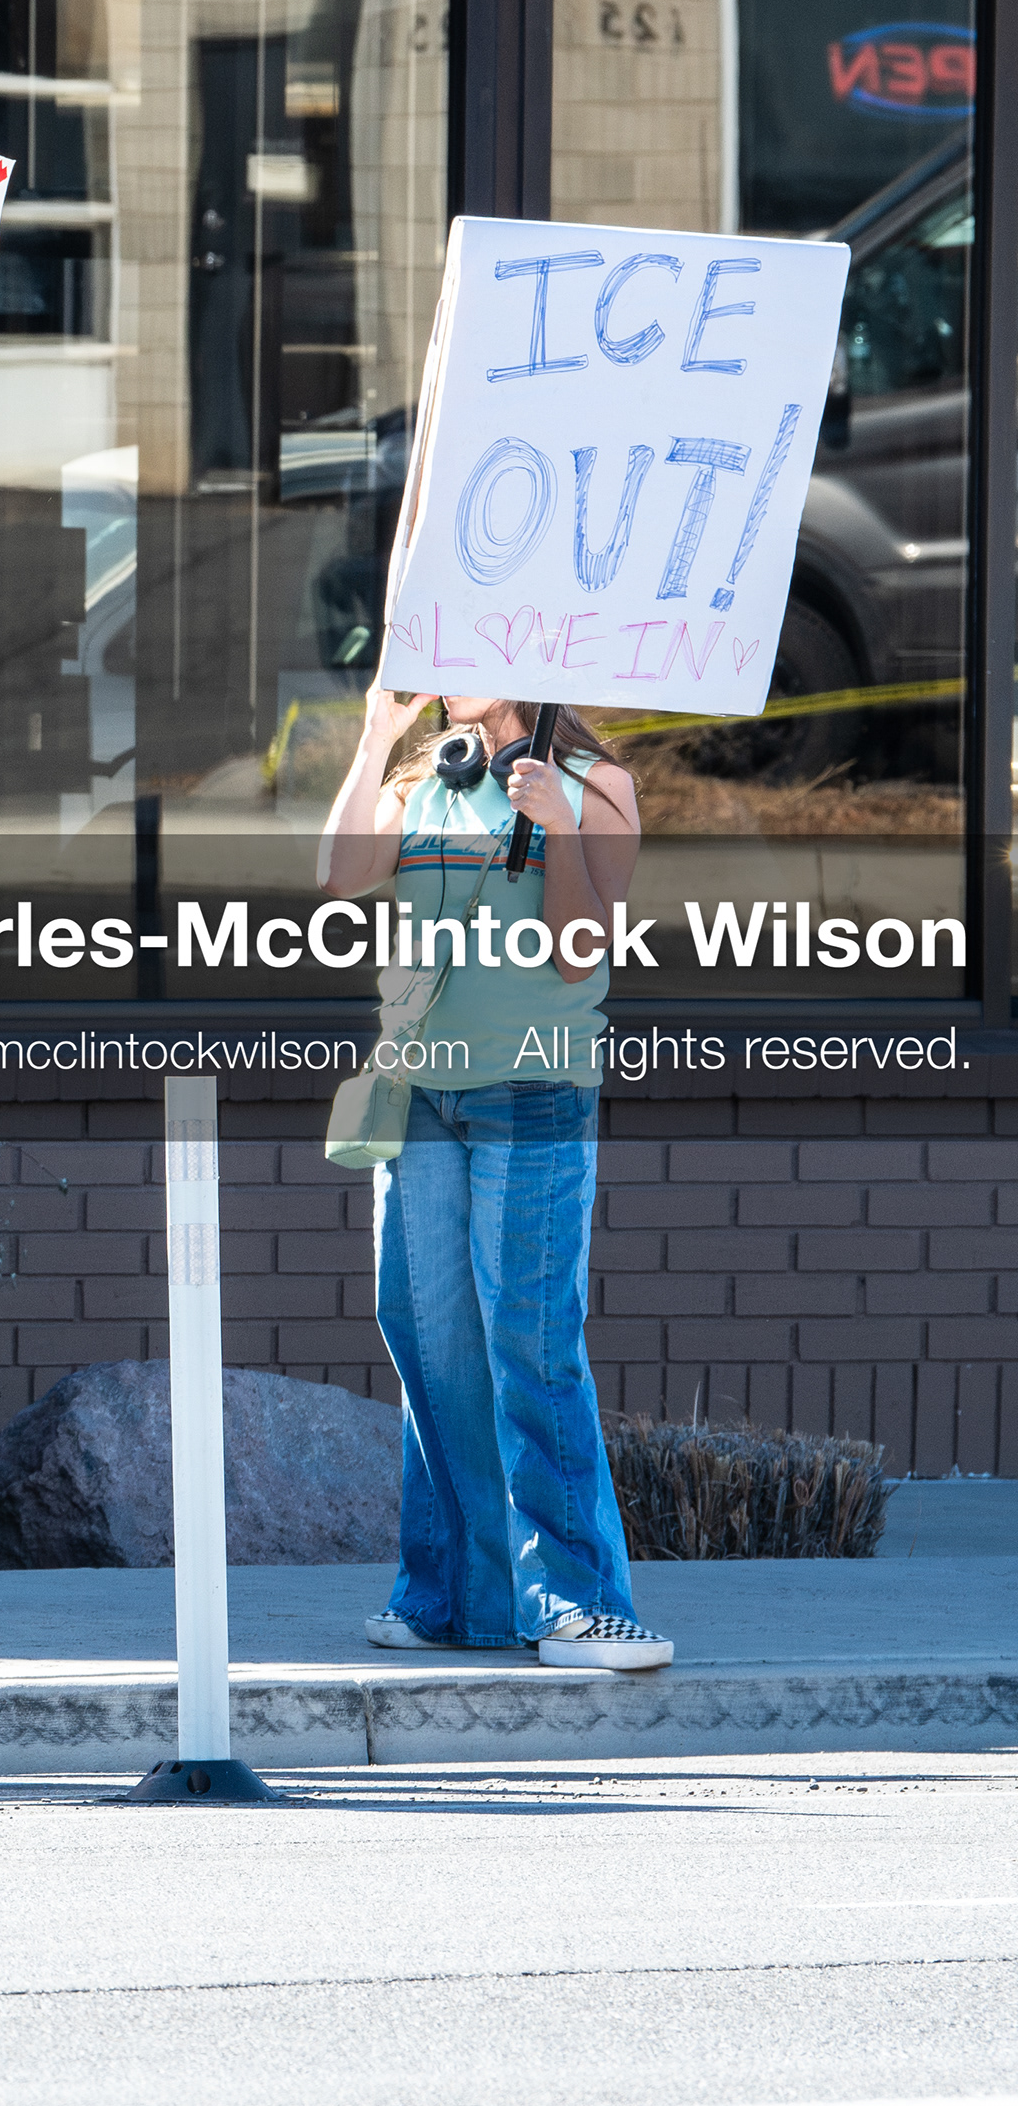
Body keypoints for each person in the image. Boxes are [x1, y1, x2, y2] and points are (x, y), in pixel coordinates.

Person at [320, 691, 666, 1670]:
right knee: (431, 1344)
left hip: (532, 1091)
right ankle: (456, 1598)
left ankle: (581, 1603)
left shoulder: (603, 788)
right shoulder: (423, 780)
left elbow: (578, 952)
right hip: (422, 1098)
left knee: (528, 1340)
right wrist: (373, 739)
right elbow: (343, 876)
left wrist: (554, 827)